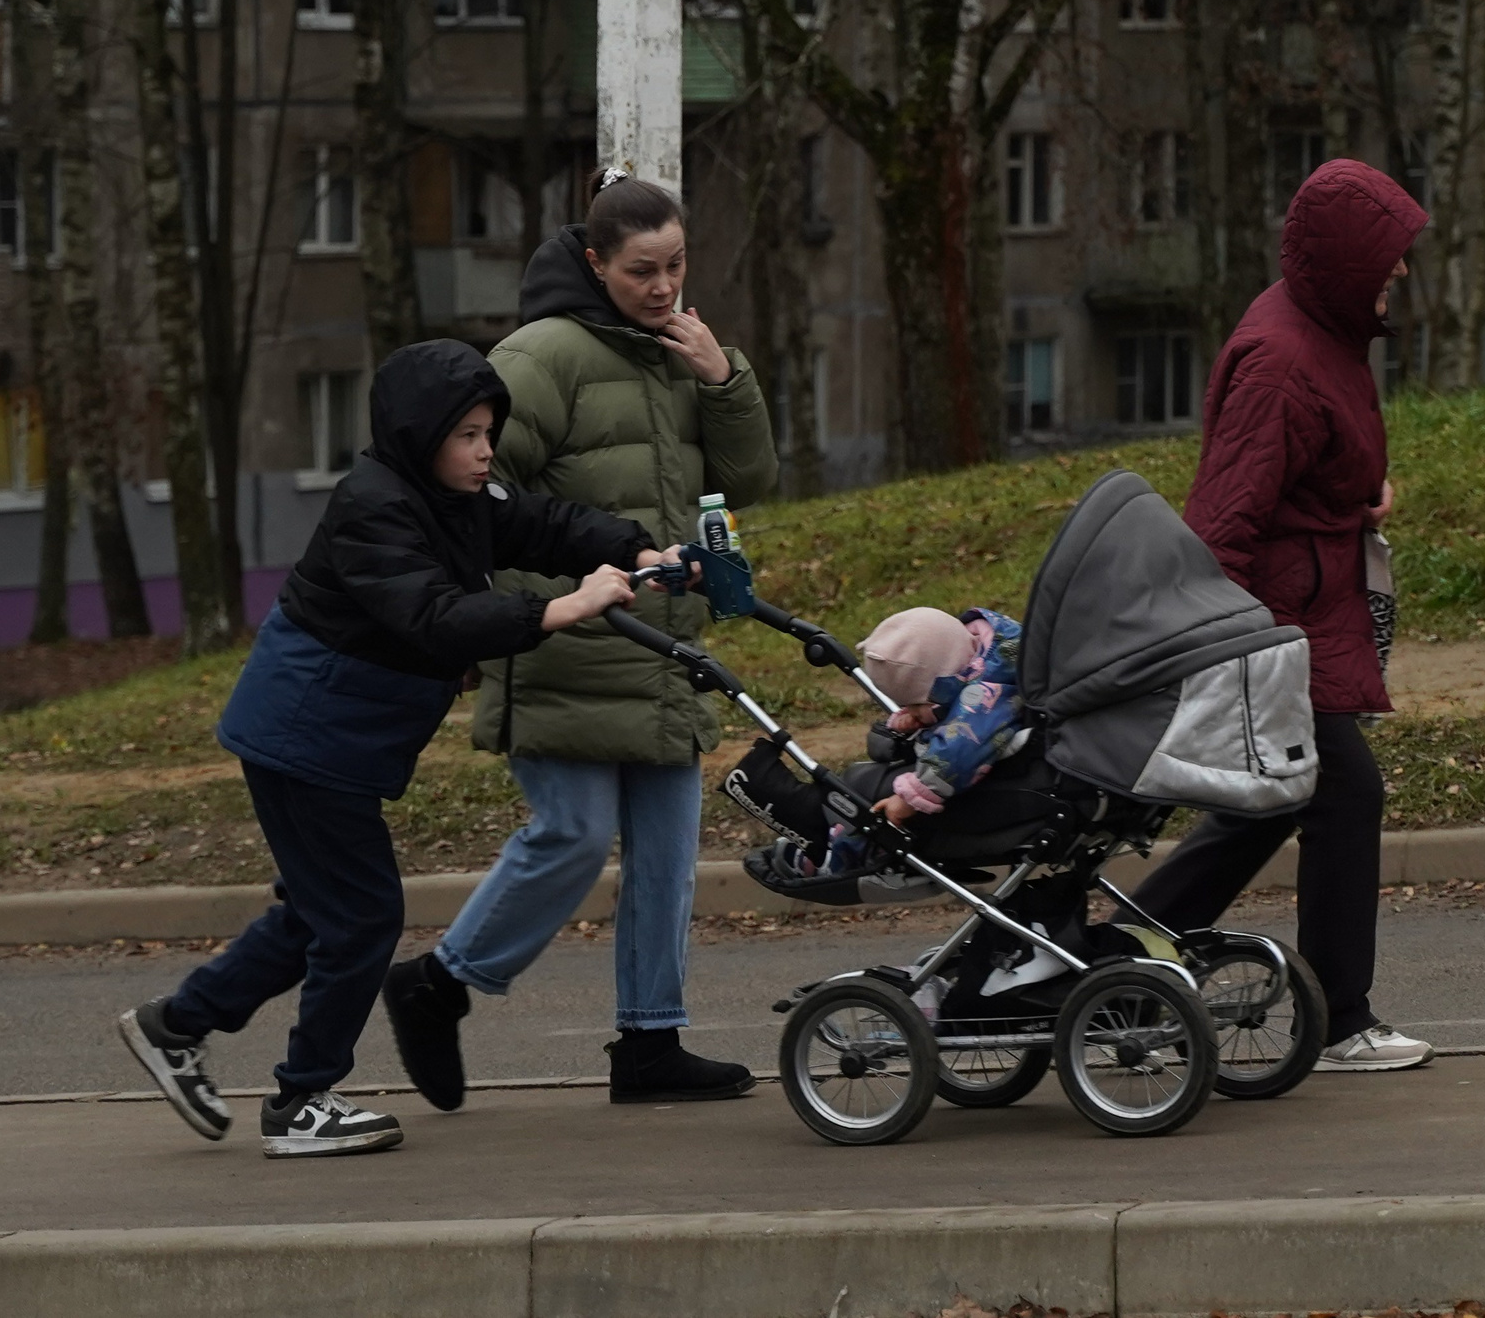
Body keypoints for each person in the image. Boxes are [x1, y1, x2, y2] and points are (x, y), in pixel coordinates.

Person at [115, 339, 663, 1157]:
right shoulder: (373, 506)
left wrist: (634, 547)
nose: (485, 452)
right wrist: (556, 610)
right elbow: (434, 616)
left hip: (331, 734)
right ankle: (302, 1100)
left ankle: (176, 1024)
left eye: (489, 432)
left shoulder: (458, 494)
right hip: (305, 733)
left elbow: (543, 523)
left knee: (318, 910)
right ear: (421, 433)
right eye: (468, 435)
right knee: (363, 913)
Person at [384, 173, 777, 1111]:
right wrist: (506, 608)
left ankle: (651, 1041)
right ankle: (438, 984)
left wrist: (724, 382)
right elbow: (471, 487)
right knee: (570, 833)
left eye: (677, 263)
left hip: (660, 643)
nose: (664, 285)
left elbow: (749, 480)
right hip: (565, 635)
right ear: (595, 261)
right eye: (642, 269)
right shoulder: (540, 357)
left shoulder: (684, 348)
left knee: (667, 855)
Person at [1123, 157, 1434, 1073]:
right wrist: (1228, 654)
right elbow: (1220, 524)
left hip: (1306, 611)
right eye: (1389, 254)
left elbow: (1308, 466)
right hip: (1274, 627)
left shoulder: (1326, 331)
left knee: (1270, 802)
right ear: (1343, 261)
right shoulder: (1281, 361)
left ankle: (1126, 954)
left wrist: (1359, 497)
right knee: (1343, 791)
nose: (1401, 272)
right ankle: (1339, 1018)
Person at [792, 606, 1024, 876]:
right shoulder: (982, 649)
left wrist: (911, 797)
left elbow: (957, 753)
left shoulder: (983, 700)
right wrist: (919, 714)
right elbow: (953, 702)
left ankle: (840, 859)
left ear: (945, 684)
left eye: (916, 704)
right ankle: (828, 837)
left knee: (879, 804)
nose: (912, 711)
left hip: (984, 786)